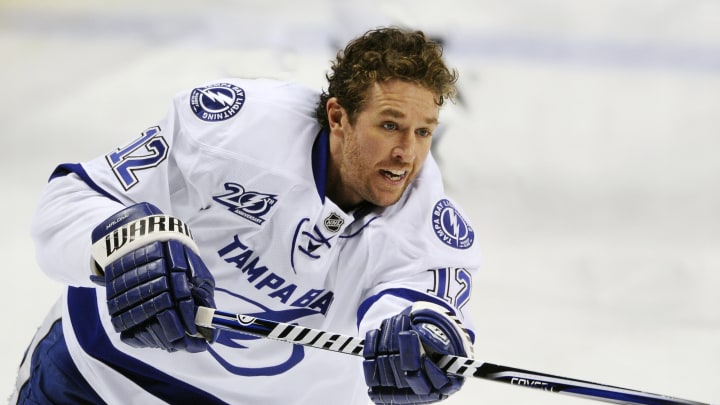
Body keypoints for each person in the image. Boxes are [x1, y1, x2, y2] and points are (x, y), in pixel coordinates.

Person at [12, 27, 481, 404]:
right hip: (98, 376)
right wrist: (126, 242)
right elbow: (69, 201)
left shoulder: (430, 226)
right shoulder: (233, 129)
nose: (407, 153)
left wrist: (425, 348)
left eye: (424, 132)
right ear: (338, 117)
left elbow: (420, 314)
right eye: (390, 125)